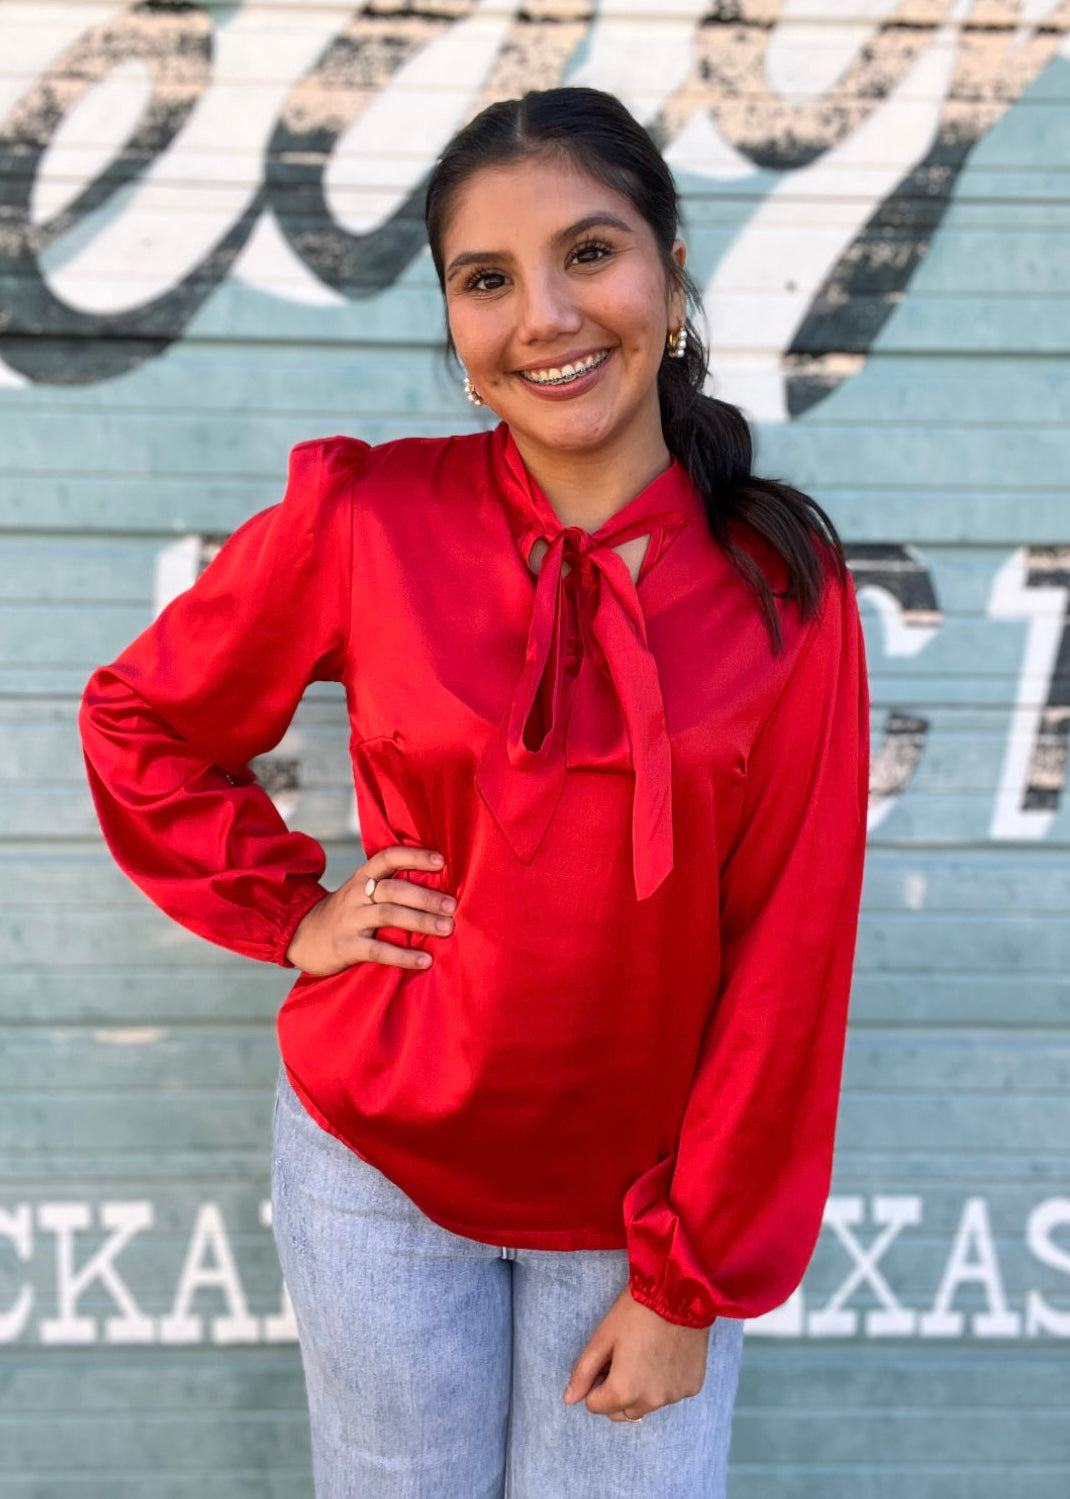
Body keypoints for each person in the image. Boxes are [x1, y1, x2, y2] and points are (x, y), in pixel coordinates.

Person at [78, 85, 870, 1499]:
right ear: (451, 322)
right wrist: (294, 914)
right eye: (485, 280)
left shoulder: (778, 591)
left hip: (637, 1209)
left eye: (589, 252)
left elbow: (786, 959)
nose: (544, 317)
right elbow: (142, 717)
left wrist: (688, 1278)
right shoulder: (367, 519)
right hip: (373, 1162)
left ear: (670, 272)